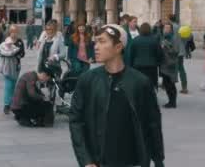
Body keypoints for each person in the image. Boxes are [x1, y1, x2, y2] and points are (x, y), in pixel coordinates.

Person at [69, 24, 165, 167]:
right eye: (95, 42)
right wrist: (86, 161)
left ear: (118, 47)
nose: (95, 47)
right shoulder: (87, 80)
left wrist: (158, 160)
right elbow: (76, 121)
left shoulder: (140, 82)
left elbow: (153, 123)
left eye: (102, 42)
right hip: (98, 161)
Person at [0, 25, 25, 115]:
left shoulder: (20, 42)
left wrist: (17, 55)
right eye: (12, 31)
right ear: (9, 32)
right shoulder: (6, 41)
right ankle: (6, 104)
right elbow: (0, 51)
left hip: (16, 65)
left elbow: (22, 53)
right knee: (8, 85)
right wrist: (8, 54)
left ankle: (12, 102)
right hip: (7, 66)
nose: (14, 33)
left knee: (13, 84)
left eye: (15, 31)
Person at [130, 22, 164, 91]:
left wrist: (131, 65)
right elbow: (159, 54)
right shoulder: (154, 40)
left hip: (138, 66)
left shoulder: (135, 40)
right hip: (151, 66)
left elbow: (131, 54)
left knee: (139, 84)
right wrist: (157, 62)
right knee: (151, 84)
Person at [160, 22, 181, 108]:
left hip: (171, 64)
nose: (166, 29)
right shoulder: (163, 37)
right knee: (166, 83)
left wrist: (166, 45)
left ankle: (173, 102)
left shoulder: (174, 38)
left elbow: (176, 50)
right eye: (165, 28)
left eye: (168, 28)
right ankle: (170, 101)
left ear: (171, 29)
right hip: (164, 64)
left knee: (171, 84)